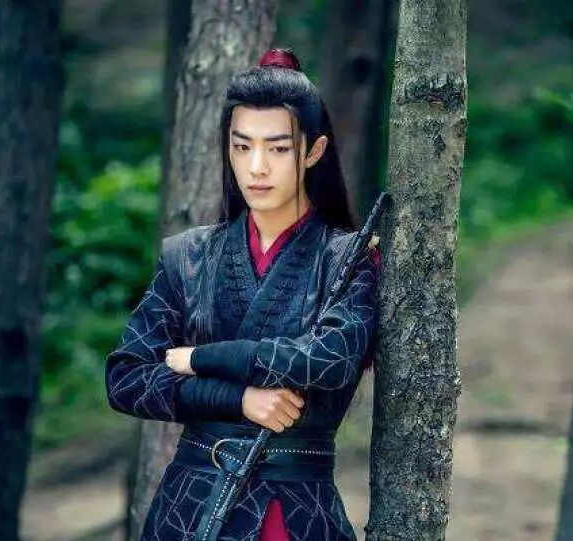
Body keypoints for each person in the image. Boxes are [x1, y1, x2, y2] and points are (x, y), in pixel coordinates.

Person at [105, 47, 381, 541]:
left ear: (313, 151)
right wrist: (238, 399)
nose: (257, 167)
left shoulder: (349, 258)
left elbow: (331, 361)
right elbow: (125, 378)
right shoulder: (188, 257)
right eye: (242, 146)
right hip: (191, 507)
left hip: (296, 510)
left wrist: (200, 358)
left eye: (278, 148)